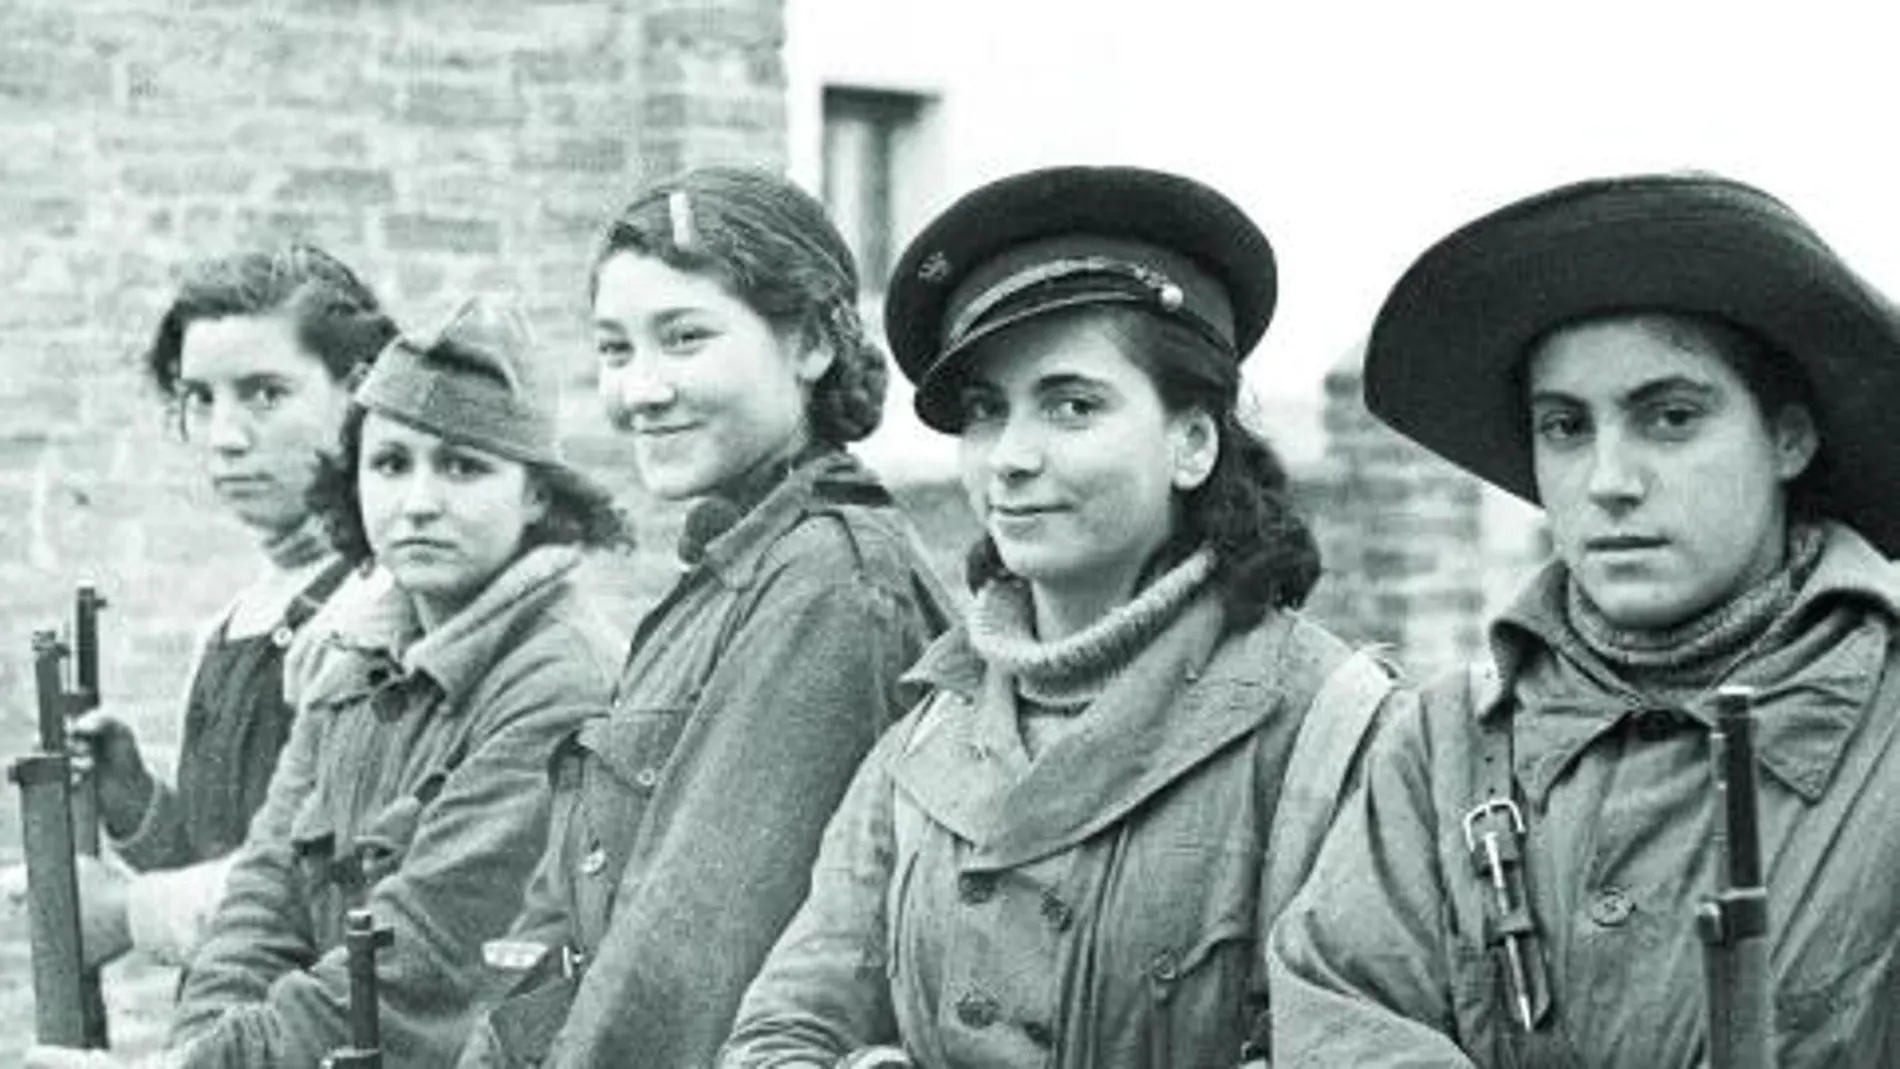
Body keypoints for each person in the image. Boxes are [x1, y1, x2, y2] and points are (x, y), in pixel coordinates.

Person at [720, 165, 1402, 1069]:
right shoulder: (926, 738)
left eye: (1071, 406)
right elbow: (781, 1031)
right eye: (985, 412)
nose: (1009, 458)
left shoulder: (1333, 729)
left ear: (1193, 442)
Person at [1268, 173, 1900, 1067]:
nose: (1610, 478)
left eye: (1671, 418)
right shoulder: (1441, 748)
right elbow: (1338, 1013)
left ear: (1788, 438)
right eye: (1565, 426)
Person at [27, 297, 630, 1068]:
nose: (418, 502)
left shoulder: (559, 684)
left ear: (537, 493)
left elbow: (419, 970)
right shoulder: (354, 666)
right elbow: (261, 902)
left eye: (463, 466)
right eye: (391, 463)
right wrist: (196, 1047)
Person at [455, 166, 952, 1069]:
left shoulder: (828, 587)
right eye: (615, 350)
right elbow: (560, 927)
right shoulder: (732, 574)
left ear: (808, 343)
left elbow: (681, 967)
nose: (640, 390)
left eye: (683, 338)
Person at [3, 246, 399, 969]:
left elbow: (328, 887)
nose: (225, 436)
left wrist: (126, 913)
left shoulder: (380, 609)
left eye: (265, 394)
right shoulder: (236, 621)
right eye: (200, 398)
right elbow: (230, 853)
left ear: (358, 393)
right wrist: (137, 805)